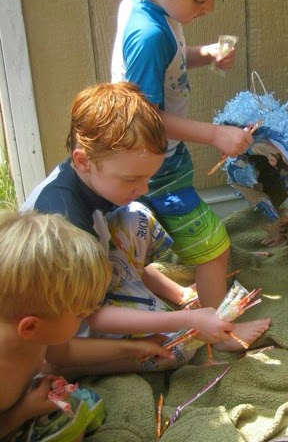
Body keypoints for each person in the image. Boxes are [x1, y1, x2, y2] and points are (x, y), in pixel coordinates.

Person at [22, 82, 267, 373]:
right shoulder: (65, 230)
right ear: (83, 160)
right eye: (131, 179)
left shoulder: (90, 175)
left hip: (87, 279)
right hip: (64, 332)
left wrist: (179, 296)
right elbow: (93, 315)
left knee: (136, 216)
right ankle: (77, 365)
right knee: (178, 348)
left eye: (148, 178)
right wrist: (186, 321)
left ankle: (173, 298)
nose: (143, 189)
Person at [110, 0, 271, 348]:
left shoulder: (146, 6)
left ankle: (178, 295)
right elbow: (147, 119)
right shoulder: (148, 34)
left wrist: (204, 54)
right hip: (155, 166)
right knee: (214, 246)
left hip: (144, 160)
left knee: (130, 241)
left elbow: (170, 60)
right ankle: (221, 331)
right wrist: (215, 134)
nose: (208, 8)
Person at [0, 210, 173, 441]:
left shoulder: (34, 332)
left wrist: (136, 347)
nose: (89, 314)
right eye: (80, 313)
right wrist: (23, 411)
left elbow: (64, 352)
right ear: (30, 327)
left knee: (78, 411)